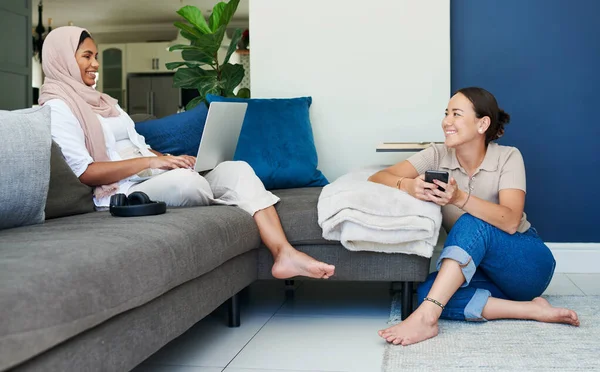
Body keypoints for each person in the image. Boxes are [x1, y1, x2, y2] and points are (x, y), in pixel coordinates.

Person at [39, 26, 335, 280]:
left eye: (96, 56)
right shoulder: (58, 107)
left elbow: (139, 145)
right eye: (86, 56)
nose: (95, 64)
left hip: (152, 176)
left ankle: (284, 253)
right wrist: (154, 161)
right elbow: (84, 172)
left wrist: (170, 159)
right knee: (187, 183)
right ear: (62, 60)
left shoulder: (106, 102)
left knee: (238, 169)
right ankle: (230, 197)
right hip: (123, 190)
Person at [368, 87, 579, 346]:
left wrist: (459, 198)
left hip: (526, 264)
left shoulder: (508, 156)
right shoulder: (436, 154)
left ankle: (426, 319)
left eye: (456, 114)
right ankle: (532, 310)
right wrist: (409, 185)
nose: (446, 121)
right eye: (446, 113)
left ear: (482, 124)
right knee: (426, 292)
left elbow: (511, 220)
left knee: (470, 221)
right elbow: (378, 177)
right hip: (479, 271)